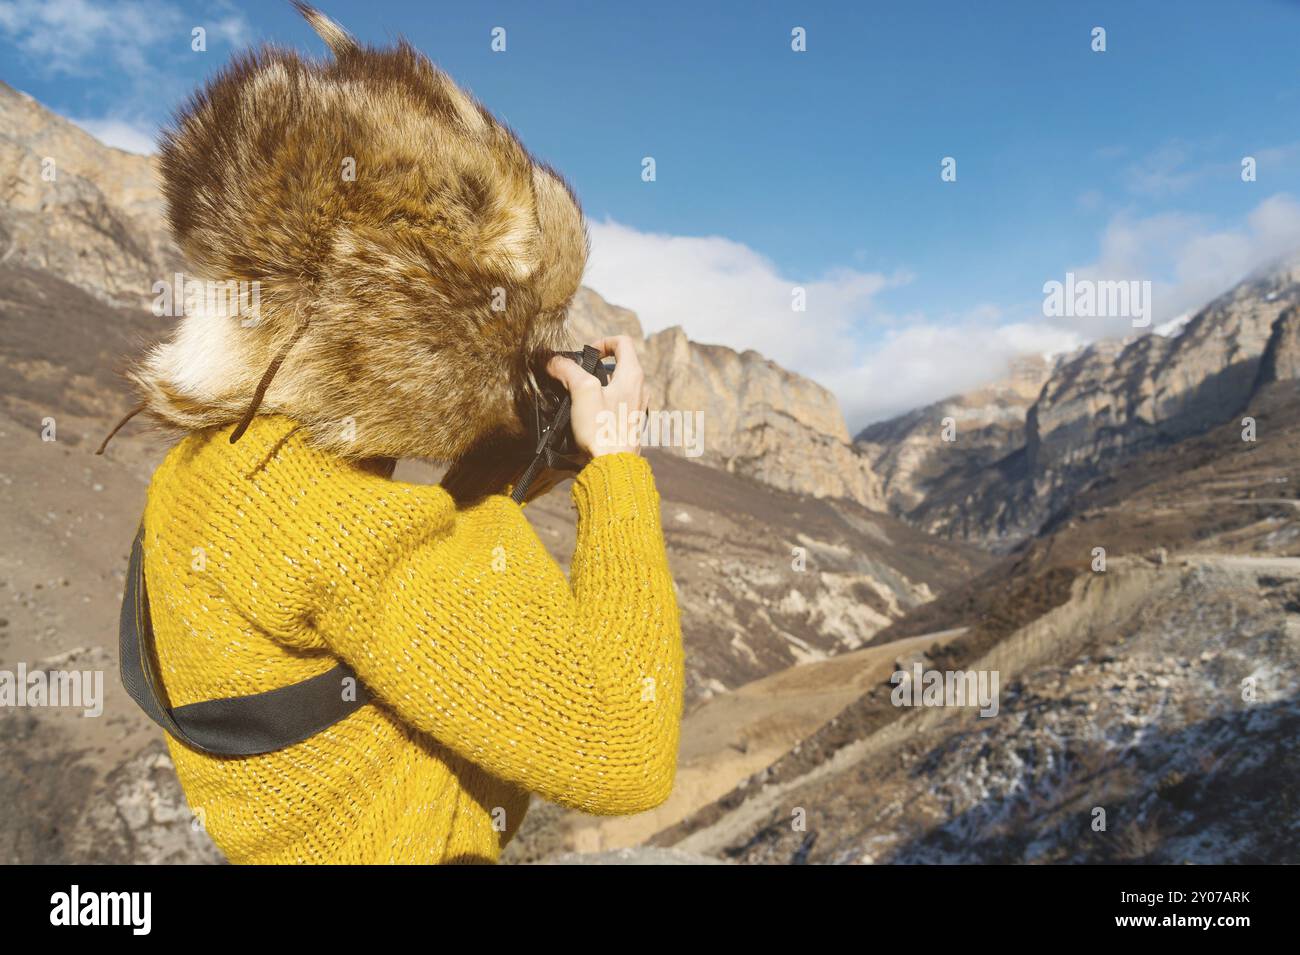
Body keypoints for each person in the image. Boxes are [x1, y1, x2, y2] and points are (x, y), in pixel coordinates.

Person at [114, 3, 683, 864]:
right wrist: (617, 466)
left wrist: (506, 463)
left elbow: (395, 603)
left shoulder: (217, 476)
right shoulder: (319, 521)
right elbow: (629, 752)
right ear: (411, 328)